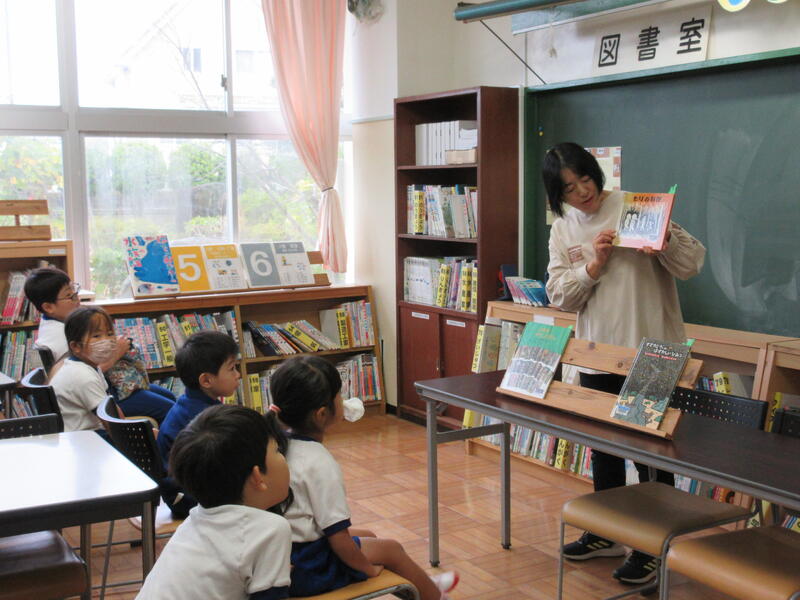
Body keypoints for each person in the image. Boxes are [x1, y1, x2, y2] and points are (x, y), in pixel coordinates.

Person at [542, 142, 706, 585]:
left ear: (596, 174)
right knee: (604, 448)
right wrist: (594, 265)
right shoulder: (563, 229)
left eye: (585, 179)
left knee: (652, 454)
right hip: (598, 353)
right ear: (558, 195)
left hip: (654, 353)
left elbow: (692, 263)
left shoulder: (638, 207)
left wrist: (665, 243)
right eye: (569, 188)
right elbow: (559, 296)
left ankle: (654, 547)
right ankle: (605, 532)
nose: (582, 192)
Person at [270, 356, 459, 600]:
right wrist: (367, 569)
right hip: (308, 568)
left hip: (282, 556)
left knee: (368, 535)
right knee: (392, 550)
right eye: (339, 395)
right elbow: (338, 539)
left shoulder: (273, 444)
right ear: (321, 414)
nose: (343, 400)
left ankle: (421, 584)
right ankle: (434, 595)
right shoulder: (319, 463)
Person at [136, 404, 293, 600]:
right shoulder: (271, 529)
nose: (284, 457)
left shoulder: (195, 520)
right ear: (257, 476)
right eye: (277, 450)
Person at [24, 267, 176, 423]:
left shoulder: (53, 323)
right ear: (48, 307)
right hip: (97, 394)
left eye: (75, 292)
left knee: (169, 397)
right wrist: (117, 352)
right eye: (70, 296)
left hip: (103, 386)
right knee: (170, 410)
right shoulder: (60, 338)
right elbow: (84, 374)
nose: (77, 300)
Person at [157, 330, 241, 518]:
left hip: (180, 493)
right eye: (231, 369)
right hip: (190, 499)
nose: (237, 375)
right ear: (206, 380)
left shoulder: (188, 403)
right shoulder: (206, 419)